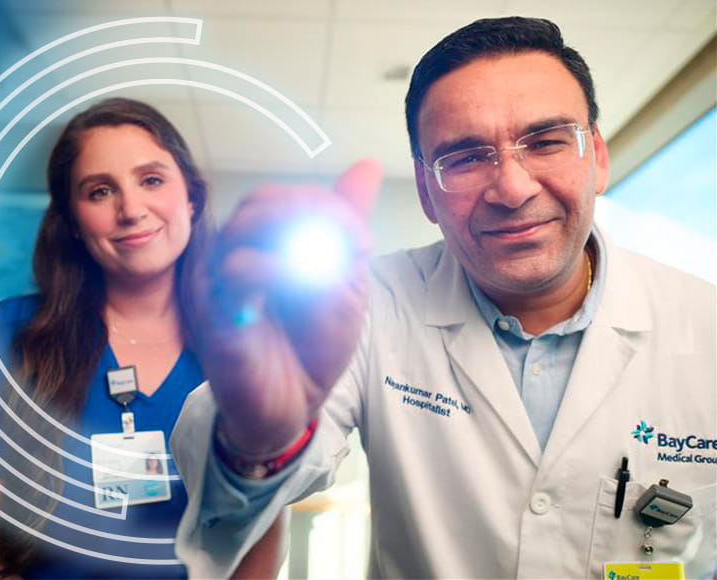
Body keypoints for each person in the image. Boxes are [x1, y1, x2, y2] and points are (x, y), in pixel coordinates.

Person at [172, 16, 717, 579]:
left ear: (597, 157)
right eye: (464, 157)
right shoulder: (367, 305)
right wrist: (257, 438)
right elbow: (226, 517)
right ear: (427, 191)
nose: (512, 188)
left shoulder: (706, 329)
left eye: (547, 142)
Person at [0, 98, 285, 579]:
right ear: (72, 221)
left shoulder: (245, 347)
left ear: (192, 198)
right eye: (99, 192)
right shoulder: (11, 336)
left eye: (152, 180)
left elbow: (258, 542)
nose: (131, 210)